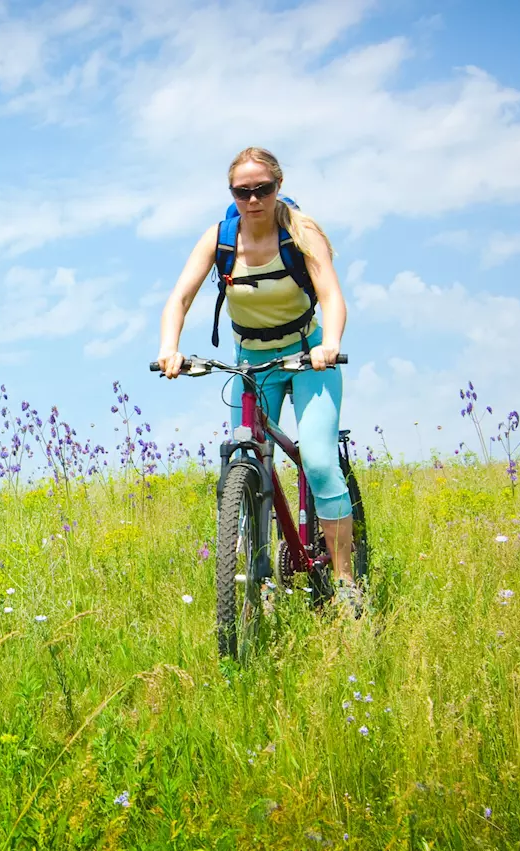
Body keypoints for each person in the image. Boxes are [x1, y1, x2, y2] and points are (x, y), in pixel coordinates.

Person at [155, 146, 361, 610]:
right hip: (250, 359)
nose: (253, 200)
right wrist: (169, 348)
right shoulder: (220, 238)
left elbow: (330, 294)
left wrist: (330, 343)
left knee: (320, 460)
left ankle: (347, 584)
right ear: (232, 193)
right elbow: (179, 298)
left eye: (262, 189)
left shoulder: (300, 232)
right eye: (242, 191)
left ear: (278, 188)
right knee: (243, 460)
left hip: (309, 357)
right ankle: (257, 580)